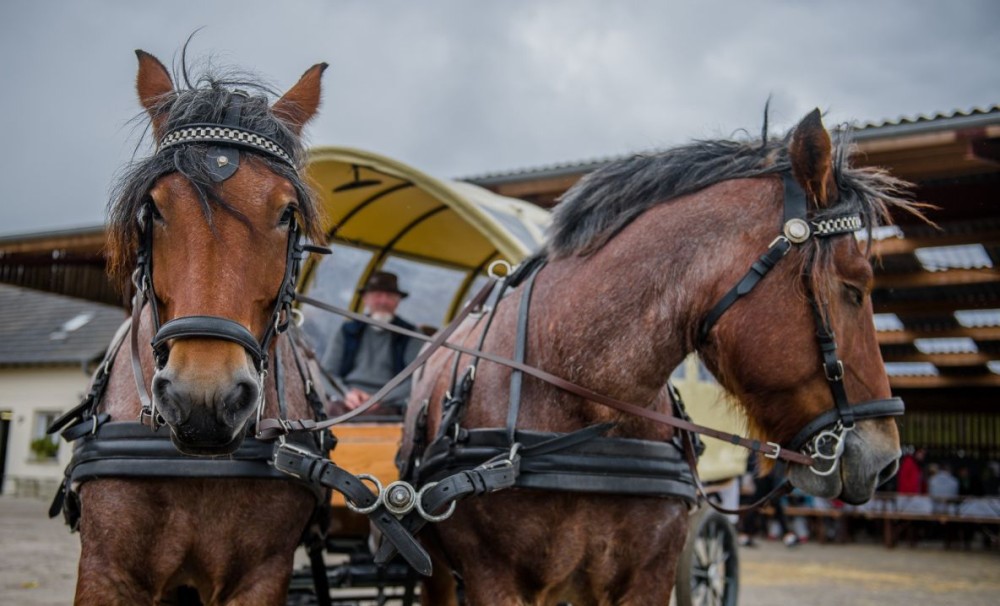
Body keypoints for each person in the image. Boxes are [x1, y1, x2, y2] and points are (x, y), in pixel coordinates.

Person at [322, 271, 422, 417]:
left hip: (389, 404)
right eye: (377, 295)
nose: (383, 301)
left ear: (398, 301)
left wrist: (380, 399)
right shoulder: (347, 331)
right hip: (348, 399)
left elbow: (416, 377)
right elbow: (328, 373)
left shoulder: (411, 334)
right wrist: (346, 394)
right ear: (365, 299)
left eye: (389, 296)